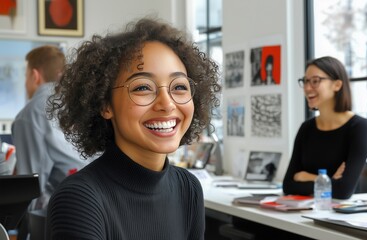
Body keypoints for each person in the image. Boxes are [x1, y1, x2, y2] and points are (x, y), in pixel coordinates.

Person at [45, 17, 221, 239]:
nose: (167, 104)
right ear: (105, 104)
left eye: (179, 86)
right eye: (143, 88)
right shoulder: (79, 199)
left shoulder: (188, 188)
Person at [11, 45, 88, 239]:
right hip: (95, 203)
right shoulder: (79, 105)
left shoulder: (29, 115)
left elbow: (31, 186)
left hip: (57, 215)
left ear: (35, 76)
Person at [282, 56, 367, 200]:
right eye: (305, 81)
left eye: (315, 81)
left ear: (337, 85)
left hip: (342, 217)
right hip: (303, 213)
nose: (307, 87)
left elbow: (343, 191)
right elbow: (288, 185)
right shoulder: (306, 128)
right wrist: (328, 180)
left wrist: (306, 177)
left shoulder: (358, 127)